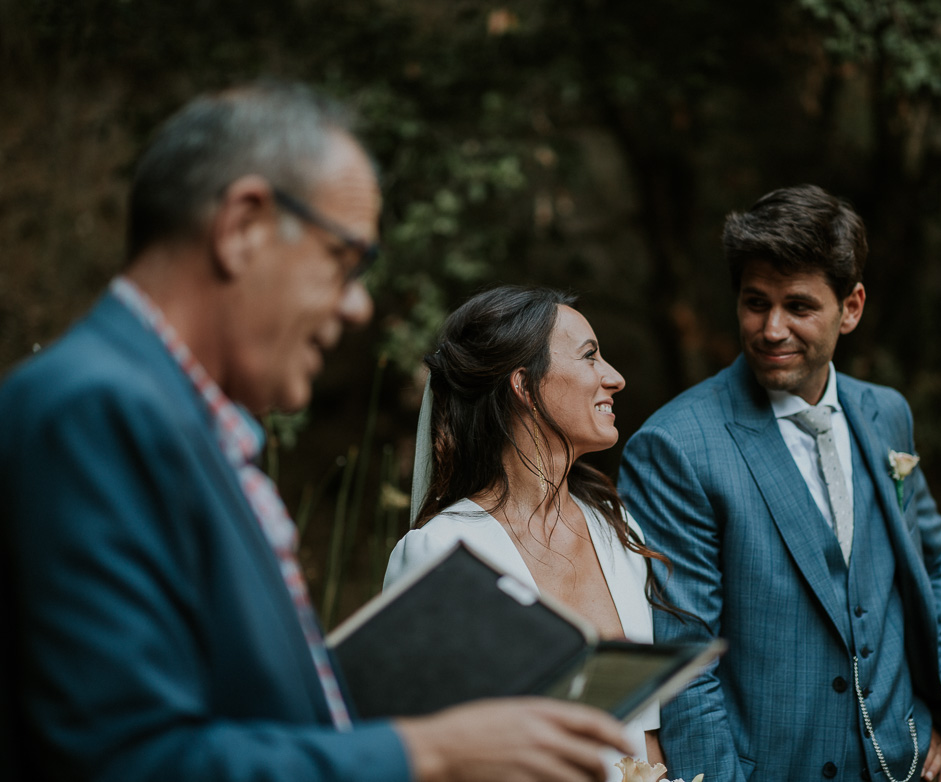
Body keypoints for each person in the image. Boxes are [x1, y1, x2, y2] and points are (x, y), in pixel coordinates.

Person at [0, 82, 632, 782]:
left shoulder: (188, 424)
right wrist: (428, 751)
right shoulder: (93, 410)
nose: (358, 305)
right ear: (243, 227)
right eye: (344, 261)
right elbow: (123, 759)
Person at [617, 185, 941, 782]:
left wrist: (932, 705)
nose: (772, 328)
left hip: (900, 764)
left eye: (799, 306)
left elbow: (937, 559)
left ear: (850, 308)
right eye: (755, 302)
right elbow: (684, 661)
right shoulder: (677, 446)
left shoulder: (887, 414)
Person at [383, 285, 667, 781]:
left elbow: (644, 734)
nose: (615, 378)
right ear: (524, 386)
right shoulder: (441, 552)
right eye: (590, 357)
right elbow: (421, 746)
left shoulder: (616, 530)